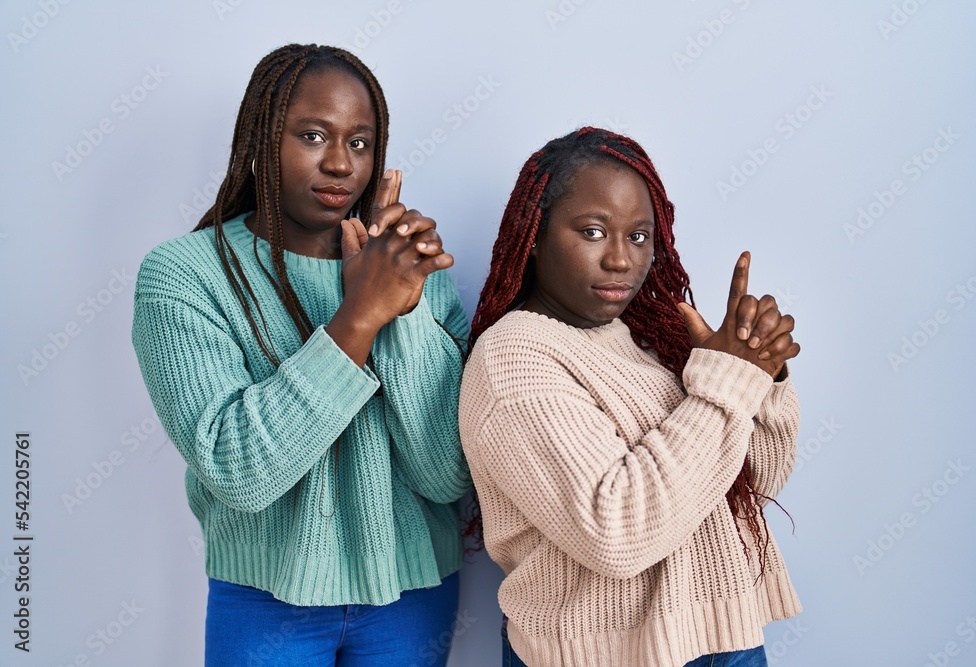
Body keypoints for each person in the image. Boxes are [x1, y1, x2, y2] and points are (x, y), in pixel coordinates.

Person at [131, 44, 471, 666]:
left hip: (413, 594)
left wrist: (405, 305)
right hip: (264, 601)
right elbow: (241, 472)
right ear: (262, 138)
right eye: (312, 135)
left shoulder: (418, 274)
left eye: (361, 143)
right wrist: (362, 313)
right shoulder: (184, 276)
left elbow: (445, 473)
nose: (340, 163)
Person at [459, 127, 802, 667]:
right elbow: (615, 533)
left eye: (640, 236)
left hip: (723, 638)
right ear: (533, 234)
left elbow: (750, 483)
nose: (621, 259)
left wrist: (761, 379)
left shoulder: (647, 339)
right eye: (593, 231)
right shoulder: (514, 355)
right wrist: (726, 383)